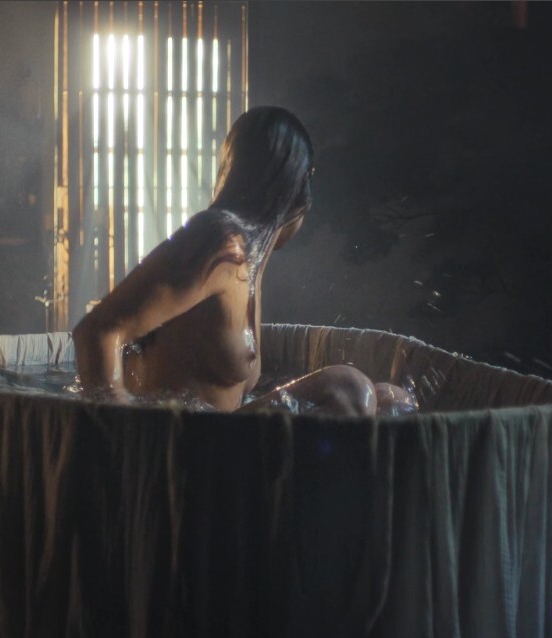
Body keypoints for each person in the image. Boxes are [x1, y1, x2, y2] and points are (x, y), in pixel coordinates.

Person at [72, 106, 415, 416]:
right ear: (293, 192)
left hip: (228, 441)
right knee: (349, 388)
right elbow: (96, 332)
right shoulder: (219, 240)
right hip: (178, 446)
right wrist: (125, 438)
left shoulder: (247, 263)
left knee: (394, 400)